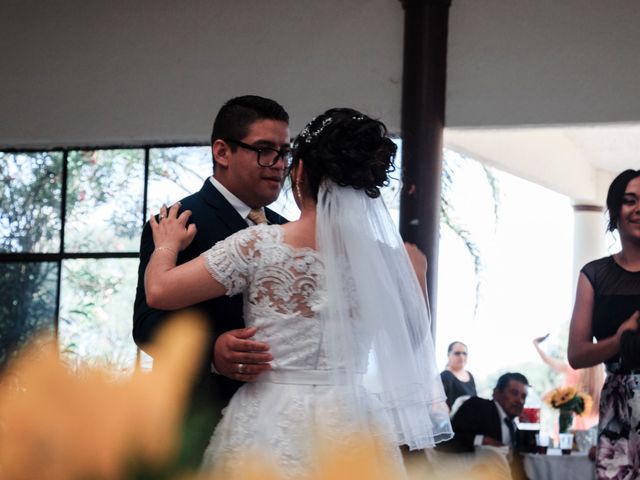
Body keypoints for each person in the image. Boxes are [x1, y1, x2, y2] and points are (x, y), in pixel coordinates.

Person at [144, 108, 453, 477]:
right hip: (352, 419)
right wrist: (414, 274)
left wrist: (166, 245)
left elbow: (159, 291)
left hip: (270, 415)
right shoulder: (390, 260)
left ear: (301, 171)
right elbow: (413, 337)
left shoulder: (260, 244)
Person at [132, 95, 290, 459]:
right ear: (222, 151)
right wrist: (212, 351)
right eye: (265, 150)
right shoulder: (178, 222)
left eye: (284, 152)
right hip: (201, 417)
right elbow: (146, 325)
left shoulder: (287, 230)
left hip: (276, 422)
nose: (279, 164)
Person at [567, 169, 640, 480]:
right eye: (629, 200)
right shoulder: (594, 274)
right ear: (614, 209)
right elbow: (576, 354)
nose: (638, 208)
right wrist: (619, 338)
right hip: (618, 401)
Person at [436, 372, 530, 480]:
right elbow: (445, 441)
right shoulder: (478, 406)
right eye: (514, 393)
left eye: (524, 396)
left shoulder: (513, 427)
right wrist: (482, 440)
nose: (520, 401)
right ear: (496, 392)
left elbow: (517, 467)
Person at [532, 334, 603, 430]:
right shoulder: (600, 380)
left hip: (570, 426)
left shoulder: (572, 370)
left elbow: (547, 360)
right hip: (592, 427)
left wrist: (535, 344)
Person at [440, 341, 477, 409]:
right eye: (457, 353)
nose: (461, 356)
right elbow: (440, 405)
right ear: (448, 355)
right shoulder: (445, 376)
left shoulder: (470, 375)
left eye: (464, 353)